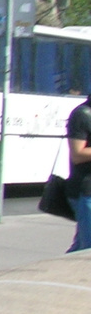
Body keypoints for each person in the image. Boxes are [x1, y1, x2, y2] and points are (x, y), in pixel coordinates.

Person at [68, 94, 91, 252]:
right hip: (86, 192)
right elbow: (77, 154)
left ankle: (52, 274)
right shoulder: (82, 115)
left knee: (80, 249)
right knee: (86, 251)